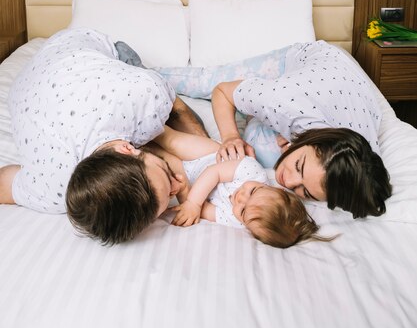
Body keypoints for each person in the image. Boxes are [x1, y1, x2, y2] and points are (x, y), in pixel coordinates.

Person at [0, 28, 206, 238]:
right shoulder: (51, 189)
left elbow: (177, 108)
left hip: (76, 42)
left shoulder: (144, 94)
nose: (178, 181)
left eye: (167, 176)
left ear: (127, 149)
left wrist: (211, 155)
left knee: (177, 123)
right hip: (35, 78)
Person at [155, 41, 392, 218]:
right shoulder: (282, 102)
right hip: (315, 59)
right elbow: (222, 91)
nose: (287, 181)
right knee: (201, 83)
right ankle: (137, 68)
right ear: (312, 139)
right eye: (299, 165)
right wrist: (229, 137)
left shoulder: (361, 165)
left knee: (261, 154)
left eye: (305, 192)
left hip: (345, 82)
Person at [147, 128, 332, 248]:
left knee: (161, 161)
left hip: (189, 179)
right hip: (207, 156)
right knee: (170, 140)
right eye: (253, 191)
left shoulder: (235, 220)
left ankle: (139, 148)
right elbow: (214, 173)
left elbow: (204, 211)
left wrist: (190, 204)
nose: (240, 197)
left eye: (243, 210)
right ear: (279, 190)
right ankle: (147, 125)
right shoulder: (253, 171)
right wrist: (193, 203)